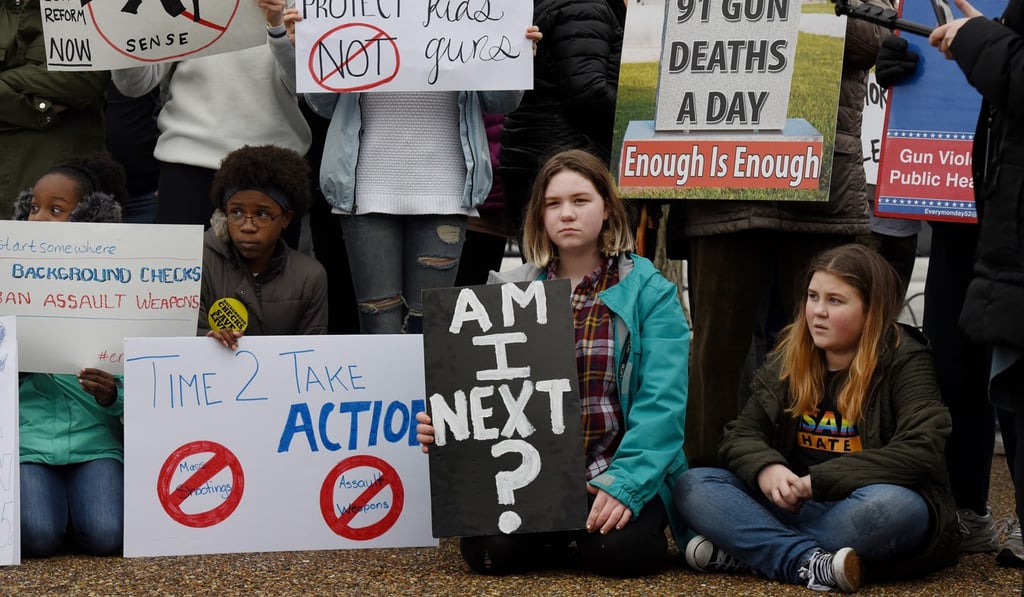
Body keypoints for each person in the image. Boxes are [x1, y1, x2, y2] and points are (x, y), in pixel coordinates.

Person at [415, 149, 689, 577]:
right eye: (553, 203)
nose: (567, 214)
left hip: (611, 470)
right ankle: (558, 534)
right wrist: (450, 426)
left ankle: (567, 534)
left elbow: (663, 406)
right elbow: (486, 394)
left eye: (581, 201)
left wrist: (623, 487)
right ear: (539, 216)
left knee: (620, 554)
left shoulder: (650, 292)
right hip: (532, 478)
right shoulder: (508, 294)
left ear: (607, 209)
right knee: (490, 556)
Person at [674, 244, 959, 593]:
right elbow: (741, 434)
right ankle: (808, 561)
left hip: (863, 507)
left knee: (895, 508)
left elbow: (921, 448)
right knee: (695, 484)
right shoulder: (792, 353)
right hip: (797, 504)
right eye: (813, 296)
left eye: (835, 301)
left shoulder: (905, 359)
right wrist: (767, 468)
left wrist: (817, 481)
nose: (817, 312)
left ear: (871, 309)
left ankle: (755, 551)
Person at [683, 5, 893, 467]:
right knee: (718, 353)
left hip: (819, 183)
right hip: (721, 178)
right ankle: (710, 492)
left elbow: (876, 38)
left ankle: (828, 484)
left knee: (833, 343)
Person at [930, 0, 1024, 570]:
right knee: (953, 358)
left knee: (1011, 362)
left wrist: (979, 40)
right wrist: (900, 66)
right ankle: (969, 508)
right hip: (960, 201)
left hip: (1005, 212)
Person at [11, 153, 129, 557]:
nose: (38, 219)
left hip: (96, 440)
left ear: (90, 220)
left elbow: (145, 378)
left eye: (55, 210)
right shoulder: (9, 282)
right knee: (38, 537)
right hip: (29, 439)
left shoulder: (121, 287)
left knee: (107, 536)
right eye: (33, 208)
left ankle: (74, 515)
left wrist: (113, 395)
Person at [111, 0, 311, 229]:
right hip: (188, 160)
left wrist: (278, 34)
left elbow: (308, 90)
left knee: (267, 266)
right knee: (185, 263)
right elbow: (135, 86)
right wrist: (125, 34)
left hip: (273, 164)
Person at [498, 0, 624, 233]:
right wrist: (642, 114)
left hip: (537, 155)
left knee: (550, 265)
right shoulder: (584, 5)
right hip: (566, 163)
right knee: (576, 265)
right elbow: (588, 93)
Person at [199, 145, 328, 350]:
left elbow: (310, 355)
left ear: (286, 218)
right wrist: (206, 339)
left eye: (262, 215)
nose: (247, 226)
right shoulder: (196, 262)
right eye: (237, 213)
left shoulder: (309, 277)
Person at [0, 0, 110, 216]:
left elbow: (84, 79)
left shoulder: (85, 7)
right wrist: (43, 110)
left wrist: (7, 82)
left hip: (59, 186)